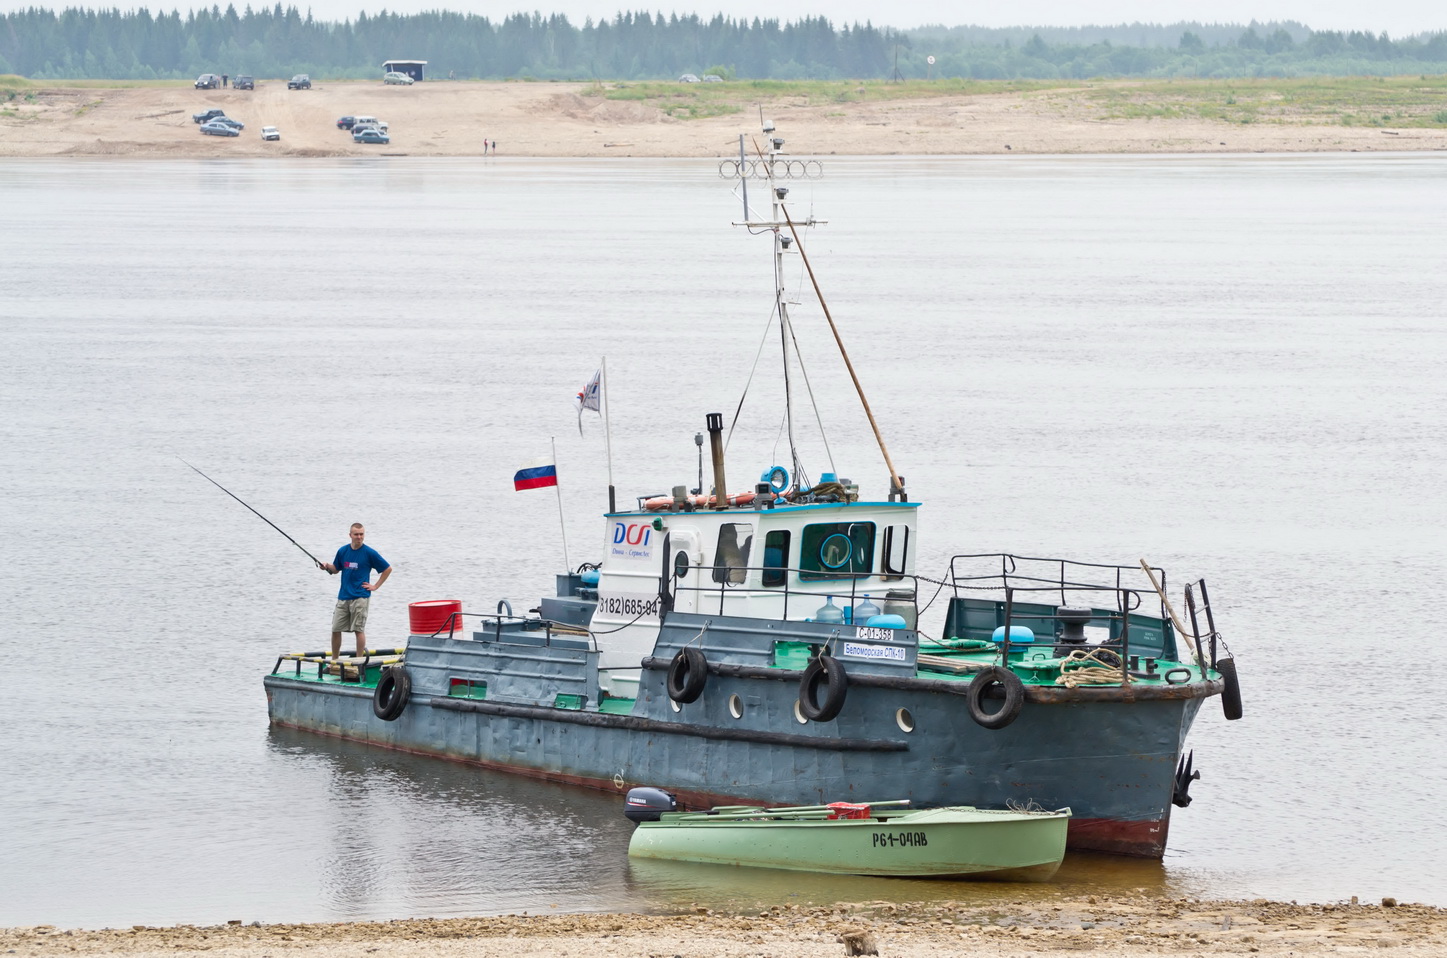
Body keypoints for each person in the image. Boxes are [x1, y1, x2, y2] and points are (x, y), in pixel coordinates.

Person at [319, 523, 392, 659]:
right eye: (356, 534)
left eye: (361, 534)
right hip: (343, 596)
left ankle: (359, 662)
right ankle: (334, 661)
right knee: (335, 629)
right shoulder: (343, 551)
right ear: (350, 535)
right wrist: (327, 566)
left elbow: (387, 569)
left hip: (360, 597)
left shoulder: (369, 553)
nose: (359, 537)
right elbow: (335, 569)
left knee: (358, 630)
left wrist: (375, 586)